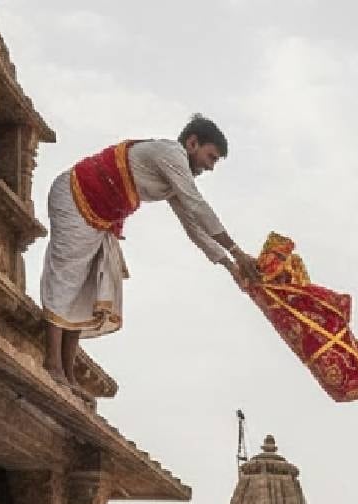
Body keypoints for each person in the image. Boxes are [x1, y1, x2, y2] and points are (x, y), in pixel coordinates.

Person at [39, 114, 260, 389]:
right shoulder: (170, 154)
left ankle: (67, 374)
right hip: (74, 197)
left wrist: (230, 265)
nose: (210, 167)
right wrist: (238, 253)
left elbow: (194, 226)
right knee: (67, 278)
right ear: (192, 143)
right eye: (211, 157)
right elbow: (197, 204)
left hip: (103, 217)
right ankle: (52, 364)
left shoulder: (175, 178)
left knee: (88, 286)